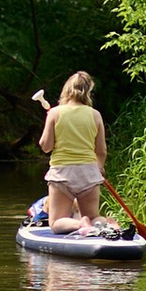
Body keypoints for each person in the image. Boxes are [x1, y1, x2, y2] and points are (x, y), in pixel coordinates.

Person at [33, 70, 107, 225]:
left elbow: (45, 146)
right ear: (88, 92)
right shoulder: (95, 115)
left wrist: (50, 121)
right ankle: (107, 224)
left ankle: (81, 224)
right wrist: (99, 168)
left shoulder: (54, 113)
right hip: (89, 172)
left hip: (63, 173)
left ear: (67, 90)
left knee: (57, 222)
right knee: (94, 217)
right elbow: (101, 151)